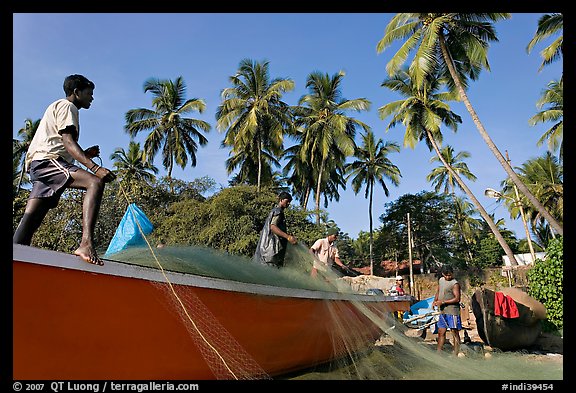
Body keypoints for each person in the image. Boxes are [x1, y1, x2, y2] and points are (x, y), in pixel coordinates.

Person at [13, 74, 116, 265]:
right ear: (76, 92)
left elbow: (60, 143)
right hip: (48, 162)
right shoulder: (68, 106)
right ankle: (86, 243)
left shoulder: (58, 107)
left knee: (31, 218)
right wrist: (95, 168)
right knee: (95, 182)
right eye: (89, 93)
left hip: (41, 165)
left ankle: (16, 254)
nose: (92, 98)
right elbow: (67, 141)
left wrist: (86, 153)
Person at [253, 191, 297, 267]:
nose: (289, 203)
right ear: (281, 200)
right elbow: (273, 227)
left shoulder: (275, 211)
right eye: (287, 201)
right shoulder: (278, 211)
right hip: (270, 251)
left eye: (290, 202)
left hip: (266, 250)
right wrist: (288, 237)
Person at [432, 265, 462, 355]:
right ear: (442, 274)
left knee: (454, 332)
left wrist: (443, 302)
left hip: (452, 311)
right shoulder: (441, 280)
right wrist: (435, 301)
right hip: (443, 311)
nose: (448, 277)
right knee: (441, 331)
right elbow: (438, 291)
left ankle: (456, 354)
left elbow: (457, 299)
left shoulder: (454, 284)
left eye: (450, 275)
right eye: (446, 275)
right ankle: (438, 352)